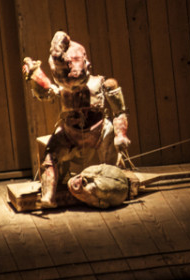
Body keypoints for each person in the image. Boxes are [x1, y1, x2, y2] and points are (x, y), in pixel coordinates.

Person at [22, 31, 131, 208]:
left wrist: (121, 134)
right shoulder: (63, 88)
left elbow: (119, 111)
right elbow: (46, 93)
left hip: (99, 132)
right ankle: (48, 196)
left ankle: (113, 178)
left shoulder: (101, 84)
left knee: (109, 134)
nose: (71, 86)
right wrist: (34, 78)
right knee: (50, 155)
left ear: (87, 65)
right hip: (70, 134)